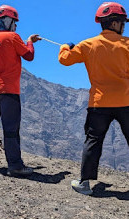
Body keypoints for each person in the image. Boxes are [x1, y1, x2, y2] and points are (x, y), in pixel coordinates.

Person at [59, 2, 129, 195]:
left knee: (93, 140)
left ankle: (84, 183)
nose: (124, 26)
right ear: (114, 23)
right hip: (126, 101)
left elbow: (64, 59)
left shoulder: (88, 45)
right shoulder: (127, 44)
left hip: (99, 103)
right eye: (123, 22)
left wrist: (65, 46)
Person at [0, 5, 41, 176]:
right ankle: (14, 165)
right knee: (11, 129)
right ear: (9, 21)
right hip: (8, 90)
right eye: (15, 22)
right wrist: (29, 41)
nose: (15, 26)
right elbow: (29, 55)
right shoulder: (13, 37)